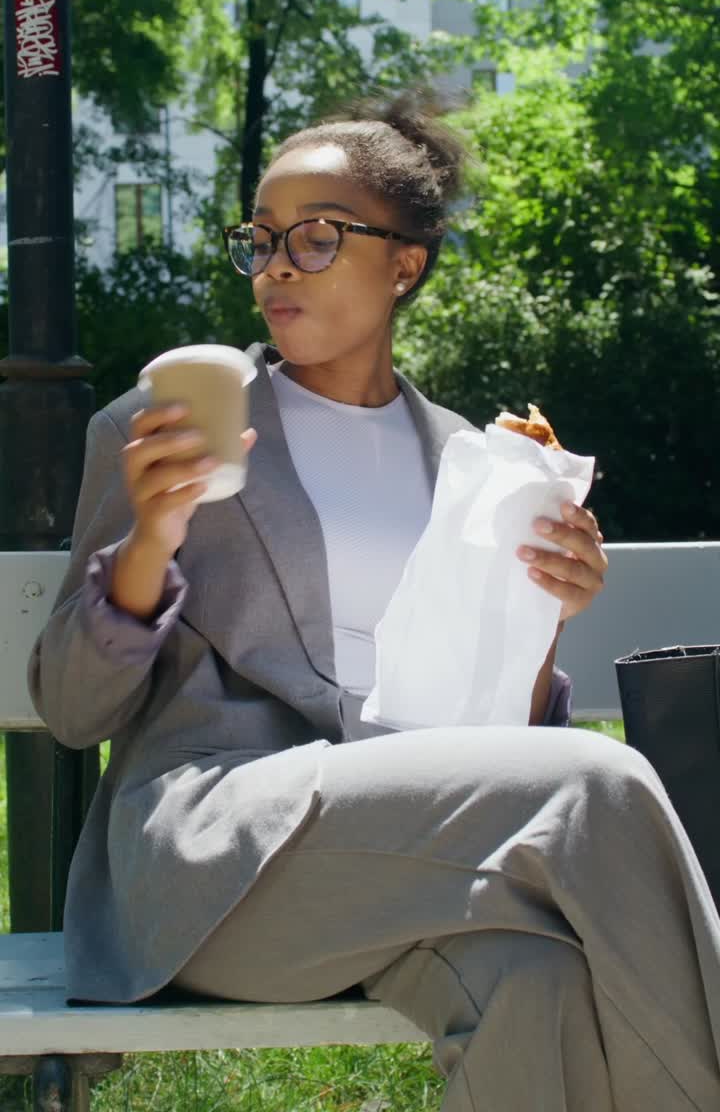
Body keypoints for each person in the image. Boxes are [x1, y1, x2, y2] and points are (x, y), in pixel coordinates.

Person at [30, 94, 720, 1110]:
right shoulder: (169, 427)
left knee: (537, 980)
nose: (275, 266)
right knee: (596, 782)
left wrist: (542, 621)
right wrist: (151, 539)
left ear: (408, 261)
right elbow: (71, 709)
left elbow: (485, 733)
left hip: (404, 864)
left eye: (316, 238)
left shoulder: (470, 462)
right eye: (260, 241)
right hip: (212, 864)